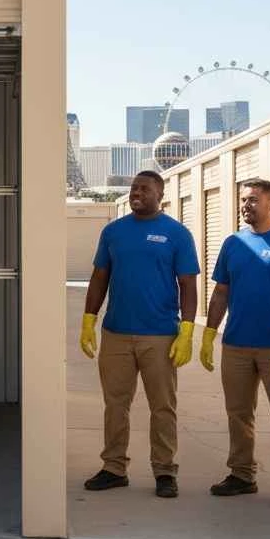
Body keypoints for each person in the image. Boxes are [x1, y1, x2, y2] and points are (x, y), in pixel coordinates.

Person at [79, 170, 199, 498]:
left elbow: (188, 284)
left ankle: (164, 471)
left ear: (160, 195)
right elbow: (100, 276)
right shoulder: (113, 232)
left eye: (144, 189)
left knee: (163, 406)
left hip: (159, 335)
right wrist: (89, 319)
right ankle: (114, 467)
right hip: (116, 333)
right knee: (115, 404)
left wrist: (187, 330)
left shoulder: (176, 234)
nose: (137, 193)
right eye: (134, 188)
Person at [202, 179, 270, 509]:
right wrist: (209, 333)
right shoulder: (233, 243)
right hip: (236, 343)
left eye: (252, 200)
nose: (245, 205)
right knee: (238, 413)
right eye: (243, 199)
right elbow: (221, 292)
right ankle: (242, 474)